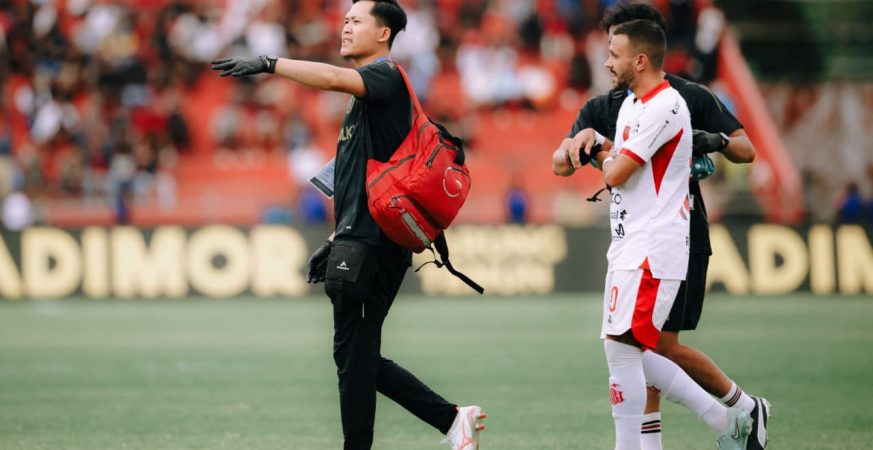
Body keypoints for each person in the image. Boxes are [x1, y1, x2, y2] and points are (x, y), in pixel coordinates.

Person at [210, 2, 485, 450]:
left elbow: (336, 78)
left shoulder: (386, 77)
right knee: (354, 355)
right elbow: (358, 181)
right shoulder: (366, 105)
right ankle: (453, 419)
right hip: (359, 240)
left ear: (383, 33)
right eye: (345, 19)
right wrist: (337, 236)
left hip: (375, 244)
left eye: (356, 21)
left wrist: (269, 64)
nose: (345, 27)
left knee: (354, 357)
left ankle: (420, 429)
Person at [552, 3, 769, 449]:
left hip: (668, 239)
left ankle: (731, 415)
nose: (606, 60)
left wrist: (717, 141)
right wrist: (585, 144)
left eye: (614, 49)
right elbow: (579, 161)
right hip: (630, 239)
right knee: (636, 349)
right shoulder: (622, 104)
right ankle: (734, 416)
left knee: (647, 347)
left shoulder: (677, 100)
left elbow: (617, 171)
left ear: (640, 55)